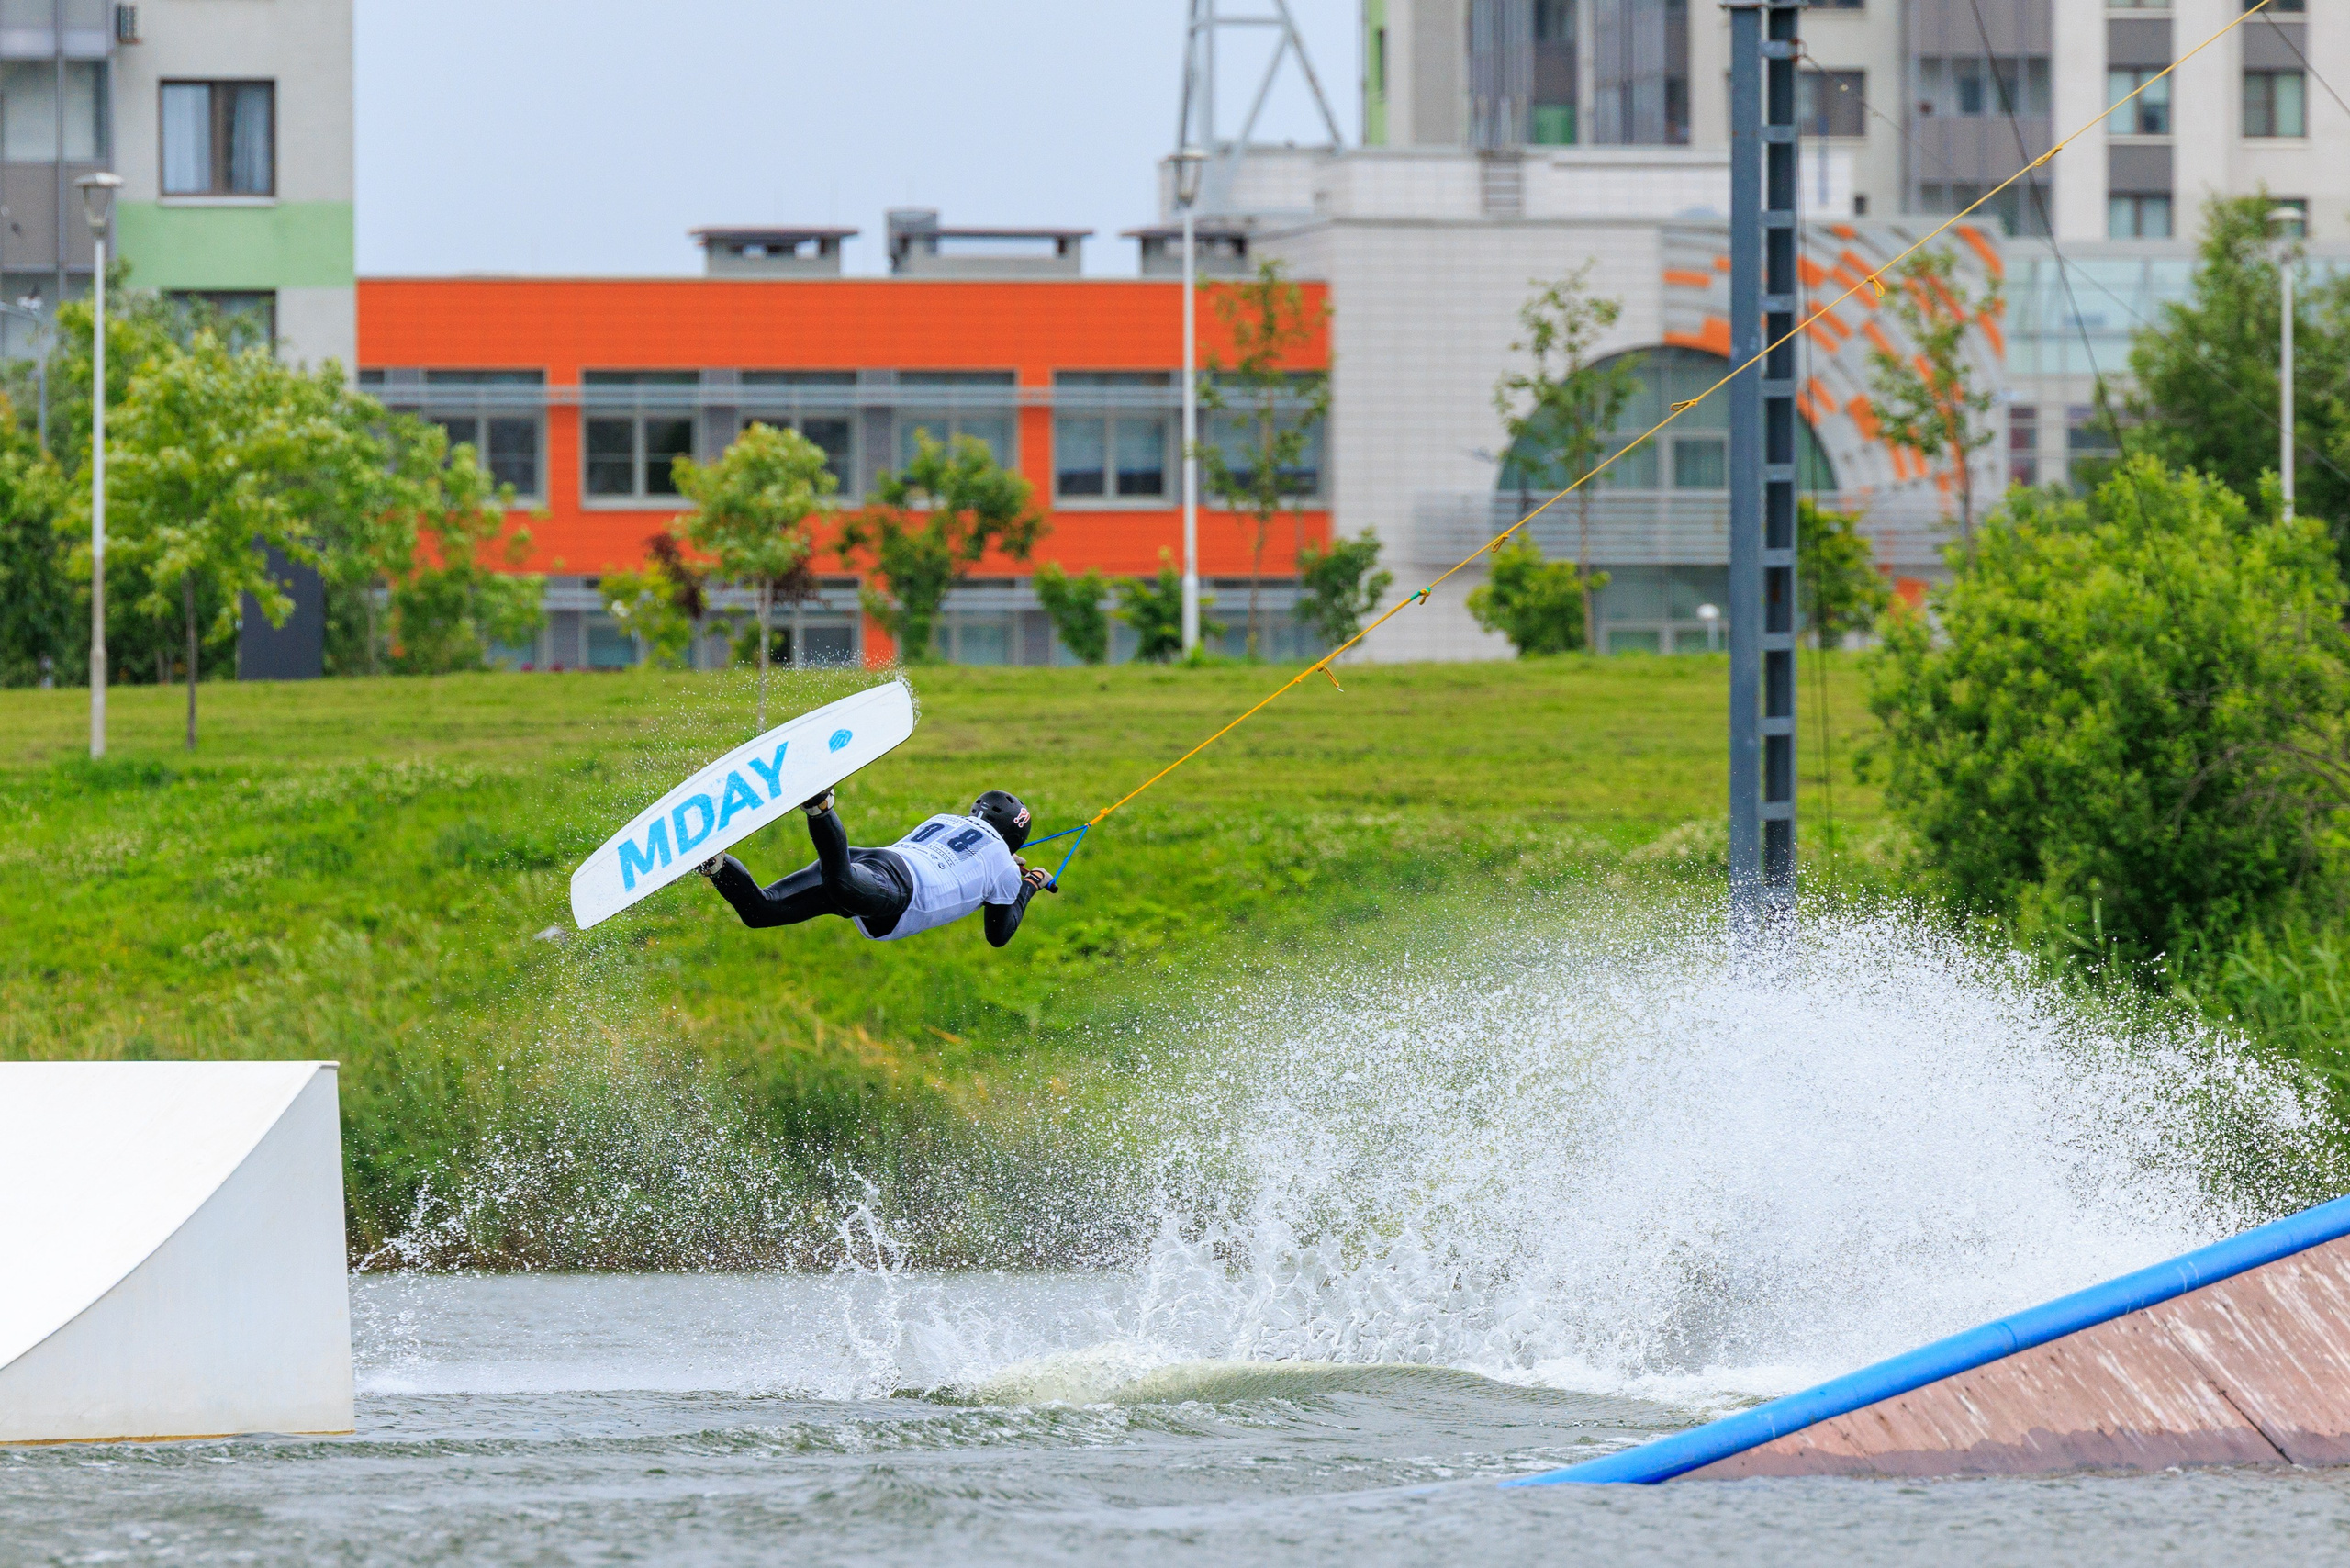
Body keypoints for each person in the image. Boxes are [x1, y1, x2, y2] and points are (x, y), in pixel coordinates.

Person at [698, 788, 1054, 946]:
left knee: (761, 911)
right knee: (842, 886)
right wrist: (1030, 885)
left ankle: (714, 863)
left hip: (868, 861)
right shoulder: (1007, 873)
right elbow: (999, 935)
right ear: (1016, 837)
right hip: (894, 890)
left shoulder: (947, 819)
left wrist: (1003, 865)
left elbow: (969, 857)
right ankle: (821, 806)